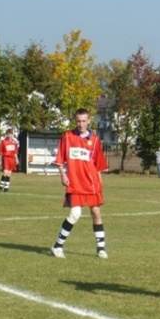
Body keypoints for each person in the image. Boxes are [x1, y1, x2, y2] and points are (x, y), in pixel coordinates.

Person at [50, 108, 109, 259]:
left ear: (89, 121)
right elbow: (60, 160)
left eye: (84, 121)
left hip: (91, 183)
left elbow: (98, 166)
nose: (81, 124)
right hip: (75, 183)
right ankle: (57, 246)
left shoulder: (95, 140)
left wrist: (100, 185)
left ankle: (101, 248)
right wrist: (62, 175)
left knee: (96, 212)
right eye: (78, 121)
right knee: (75, 214)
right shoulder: (68, 137)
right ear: (75, 121)